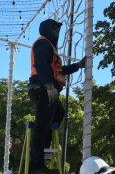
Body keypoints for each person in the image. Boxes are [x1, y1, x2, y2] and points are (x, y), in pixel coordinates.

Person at [27, 19, 86, 174]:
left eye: (58, 30)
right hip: (42, 89)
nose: (57, 32)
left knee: (58, 114)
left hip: (48, 90)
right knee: (41, 126)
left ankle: (43, 148)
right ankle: (36, 166)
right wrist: (49, 86)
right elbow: (41, 65)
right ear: (47, 29)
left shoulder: (51, 48)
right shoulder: (42, 44)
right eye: (55, 29)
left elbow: (58, 70)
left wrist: (77, 66)